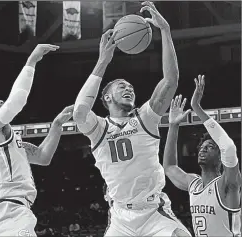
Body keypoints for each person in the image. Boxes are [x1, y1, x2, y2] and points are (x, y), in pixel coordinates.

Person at [73, 1, 190, 236]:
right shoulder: (99, 128)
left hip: (153, 211)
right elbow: (79, 113)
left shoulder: (145, 118)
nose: (129, 89)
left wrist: (165, 31)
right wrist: (103, 61)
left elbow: (170, 82)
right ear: (106, 97)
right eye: (121, 86)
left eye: (131, 87)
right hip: (121, 219)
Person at [0, 44, 74, 236]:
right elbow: (17, 101)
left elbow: (42, 157)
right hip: (7, 213)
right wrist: (32, 61)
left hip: (10, 212)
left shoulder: (3, 139)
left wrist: (56, 126)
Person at [163, 75, 241, 237]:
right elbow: (169, 167)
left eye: (210, 147)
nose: (203, 149)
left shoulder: (227, 183)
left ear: (220, 158)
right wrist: (173, 125)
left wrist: (196, 107)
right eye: (202, 147)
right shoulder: (194, 184)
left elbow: (228, 146)